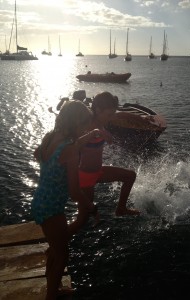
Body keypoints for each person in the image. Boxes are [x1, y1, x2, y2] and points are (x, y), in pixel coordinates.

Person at [31, 100, 100, 300]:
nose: (88, 126)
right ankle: (51, 295)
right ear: (75, 123)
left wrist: (90, 136)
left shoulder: (50, 137)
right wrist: (92, 207)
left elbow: (40, 153)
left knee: (55, 248)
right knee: (62, 255)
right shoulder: (71, 150)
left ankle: (52, 283)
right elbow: (74, 191)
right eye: (85, 123)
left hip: (40, 200)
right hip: (53, 208)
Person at [72, 91, 140, 232]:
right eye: (109, 114)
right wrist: (96, 132)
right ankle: (54, 246)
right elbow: (75, 144)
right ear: (98, 110)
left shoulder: (102, 121)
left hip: (98, 172)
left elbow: (120, 115)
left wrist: (141, 119)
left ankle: (121, 208)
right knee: (82, 219)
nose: (111, 117)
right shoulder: (87, 125)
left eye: (112, 114)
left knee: (130, 176)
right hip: (85, 177)